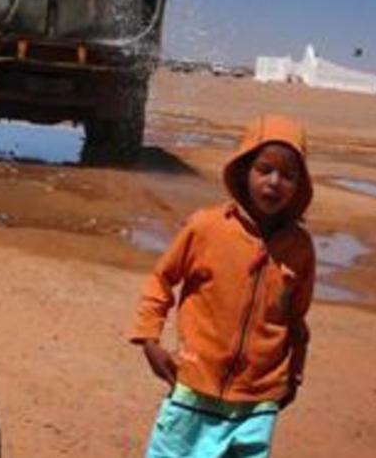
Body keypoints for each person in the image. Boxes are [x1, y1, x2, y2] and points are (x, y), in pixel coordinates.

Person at [129, 114, 316, 457]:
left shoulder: (300, 248)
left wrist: (294, 375)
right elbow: (162, 278)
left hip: (258, 401)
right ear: (245, 170)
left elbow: (296, 319)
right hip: (194, 388)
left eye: (288, 175)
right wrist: (148, 339)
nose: (275, 182)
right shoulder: (207, 228)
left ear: (299, 185)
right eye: (265, 169)